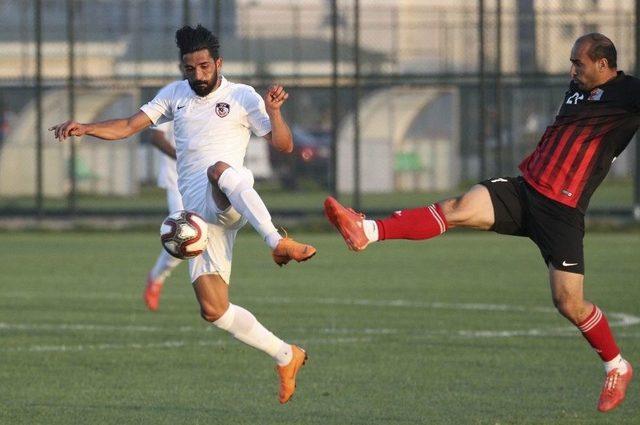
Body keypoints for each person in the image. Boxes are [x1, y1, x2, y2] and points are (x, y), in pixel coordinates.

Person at [324, 33, 636, 413]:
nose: (572, 69)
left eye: (579, 63)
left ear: (604, 64)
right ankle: (368, 231)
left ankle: (616, 366)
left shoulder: (628, 93)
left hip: (562, 212)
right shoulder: (577, 88)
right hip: (525, 191)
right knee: (458, 207)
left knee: (569, 302)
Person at [50, 24, 315, 404]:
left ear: (218, 63)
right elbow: (128, 126)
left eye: (205, 66)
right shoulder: (174, 95)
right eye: (190, 69)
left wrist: (274, 113)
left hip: (229, 196)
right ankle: (286, 355)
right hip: (199, 220)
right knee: (214, 309)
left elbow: (285, 145)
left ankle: (277, 241)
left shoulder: (242, 96)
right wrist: (86, 128)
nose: (198, 75)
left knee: (221, 169)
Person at [144, 120, 183, 311]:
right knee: (182, 238)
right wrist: (183, 157)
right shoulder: (173, 93)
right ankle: (157, 277)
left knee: (215, 235)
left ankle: (215, 299)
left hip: (208, 180)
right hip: (178, 180)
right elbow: (156, 136)